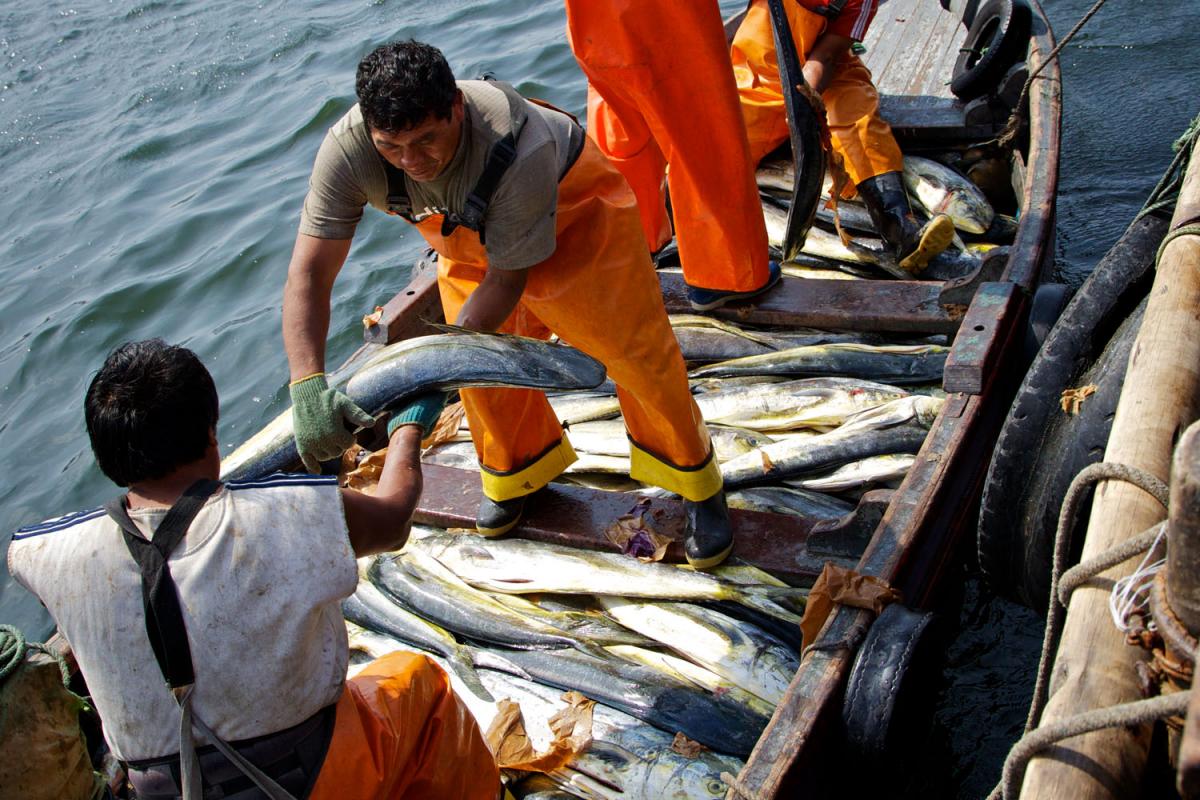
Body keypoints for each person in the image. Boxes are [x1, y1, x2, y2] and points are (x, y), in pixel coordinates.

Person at [282, 40, 735, 568]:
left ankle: (698, 483)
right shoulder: (348, 150)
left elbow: (507, 279)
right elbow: (310, 271)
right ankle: (521, 475)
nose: (412, 162)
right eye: (392, 148)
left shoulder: (519, 145)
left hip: (574, 219)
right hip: (468, 240)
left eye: (427, 140)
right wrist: (306, 383)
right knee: (481, 376)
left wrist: (436, 373)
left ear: (456, 107)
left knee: (636, 355)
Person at [7, 339, 498, 800]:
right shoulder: (284, 512)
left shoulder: (47, 555)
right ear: (211, 435)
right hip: (309, 776)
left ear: (109, 460)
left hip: (169, 789)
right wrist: (408, 429)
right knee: (419, 685)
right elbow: (392, 521)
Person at [563, 1, 781, 311]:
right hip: (663, 20)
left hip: (593, 24)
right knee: (703, 137)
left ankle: (634, 253)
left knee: (624, 131)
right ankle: (724, 277)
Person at [730, 0, 955, 273]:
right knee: (722, 152)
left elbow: (826, 56)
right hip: (758, 75)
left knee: (860, 125)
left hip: (827, 69)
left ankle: (900, 227)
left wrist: (805, 98)